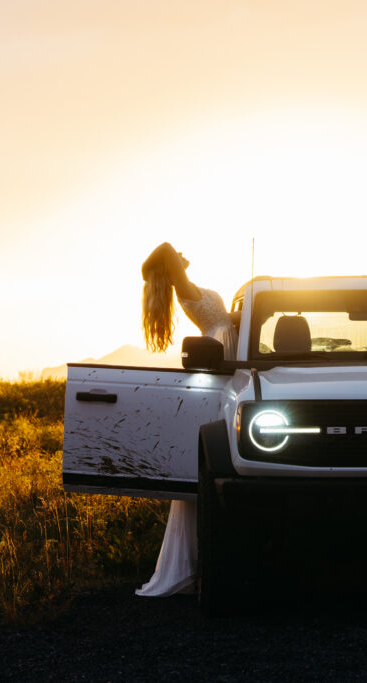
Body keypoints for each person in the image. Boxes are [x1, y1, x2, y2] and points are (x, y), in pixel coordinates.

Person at [136, 242, 237, 597]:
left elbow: (175, 259)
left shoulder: (185, 286)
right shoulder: (183, 286)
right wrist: (165, 259)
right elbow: (165, 249)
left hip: (222, 339)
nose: (181, 253)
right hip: (221, 341)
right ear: (171, 267)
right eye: (176, 256)